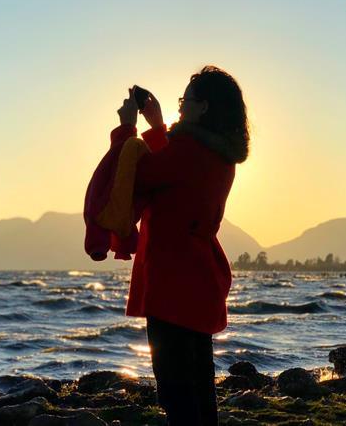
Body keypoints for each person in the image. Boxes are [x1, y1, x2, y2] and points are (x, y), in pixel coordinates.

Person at [111, 65, 249, 426]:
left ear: (202, 107)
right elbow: (171, 171)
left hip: (172, 281)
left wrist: (127, 129)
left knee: (175, 391)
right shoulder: (219, 155)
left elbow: (139, 176)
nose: (180, 106)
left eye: (184, 100)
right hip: (200, 279)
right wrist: (157, 126)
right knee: (200, 386)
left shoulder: (187, 151)